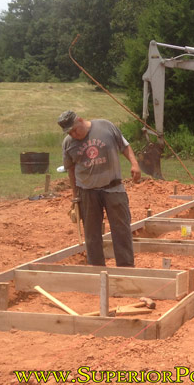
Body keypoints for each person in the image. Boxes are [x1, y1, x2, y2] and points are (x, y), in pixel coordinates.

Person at [58, 110, 141, 267]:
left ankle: (125, 269)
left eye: (75, 130)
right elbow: (71, 170)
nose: (74, 135)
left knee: (121, 230)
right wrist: (75, 196)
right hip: (87, 192)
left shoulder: (105, 126)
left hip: (113, 188)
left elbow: (124, 146)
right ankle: (96, 270)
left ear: (80, 120)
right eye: (70, 132)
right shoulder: (68, 143)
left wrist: (134, 164)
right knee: (91, 234)